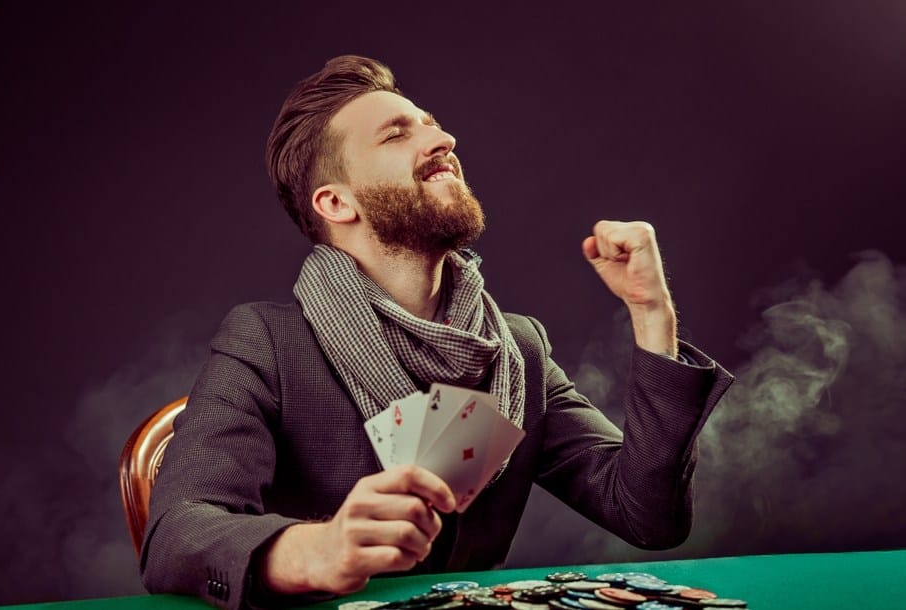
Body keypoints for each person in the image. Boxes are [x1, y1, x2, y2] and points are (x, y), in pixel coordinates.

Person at [140, 55, 734, 610]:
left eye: (433, 126)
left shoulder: (518, 351)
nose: (443, 140)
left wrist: (652, 312)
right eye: (397, 134)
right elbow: (176, 531)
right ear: (336, 202)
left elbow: (648, 516)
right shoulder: (265, 342)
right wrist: (318, 550)